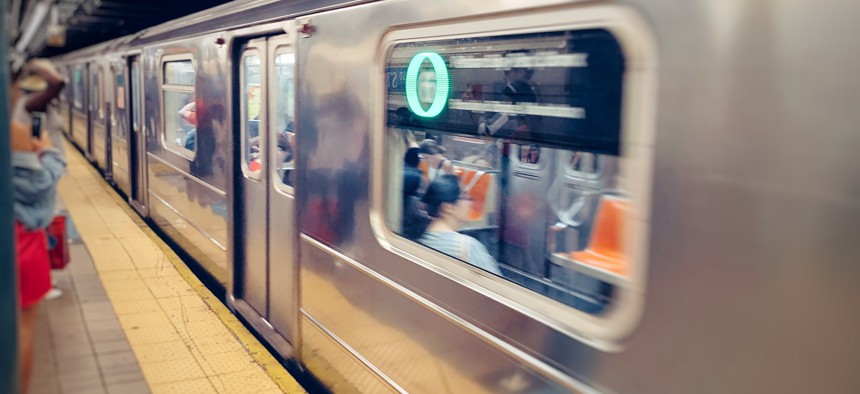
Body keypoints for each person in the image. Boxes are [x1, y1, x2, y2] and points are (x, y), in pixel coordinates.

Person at [10, 90, 67, 393]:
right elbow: (38, 193)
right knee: (21, 326)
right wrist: (48, 152)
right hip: (18, 240)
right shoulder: (13, 132)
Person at [13, 59, 66, 301]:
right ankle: (43, 278)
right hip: (42, 168)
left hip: (42, 169)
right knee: (42, 223)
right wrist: (34, 65)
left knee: (44, 223)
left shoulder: (35, 107)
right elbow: (57, 83)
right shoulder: (29, 105)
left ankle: (45, 275)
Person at [419, 175, 501, 275]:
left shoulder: (421, 239)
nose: (470, 203)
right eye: (465, 197)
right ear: (448, 207)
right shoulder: (469, 247)